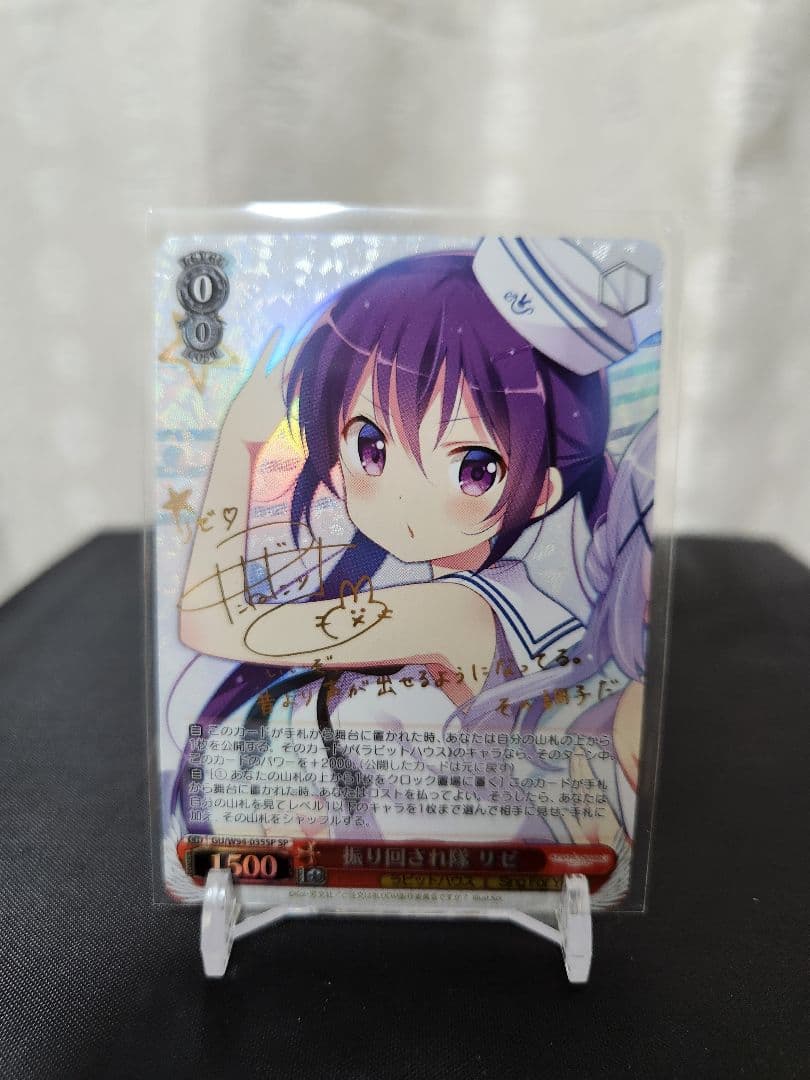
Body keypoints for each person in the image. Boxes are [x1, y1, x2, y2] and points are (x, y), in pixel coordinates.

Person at [172, 243, 651, 841]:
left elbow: (214, 624)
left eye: (474, 468)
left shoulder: (457, 611)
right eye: (371, 445)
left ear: (541, 494)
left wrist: (240, 445)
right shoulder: (503, 596)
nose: (402, 498)